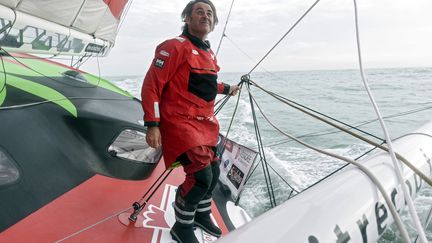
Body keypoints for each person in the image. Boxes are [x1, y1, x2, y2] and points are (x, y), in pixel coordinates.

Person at [141, 0, 239, 242]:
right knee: (201, 176)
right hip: (180, 123)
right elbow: (151, 86)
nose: (205, 16)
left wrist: (227, 88)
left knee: (214, 172)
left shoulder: (207, 51)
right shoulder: (174, 47)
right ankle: (182, 226)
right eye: (199, 12)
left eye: (209, 13)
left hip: (205, 123)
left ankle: (201, 214)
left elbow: (203, 83)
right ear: (186, 18)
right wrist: (152, 124)